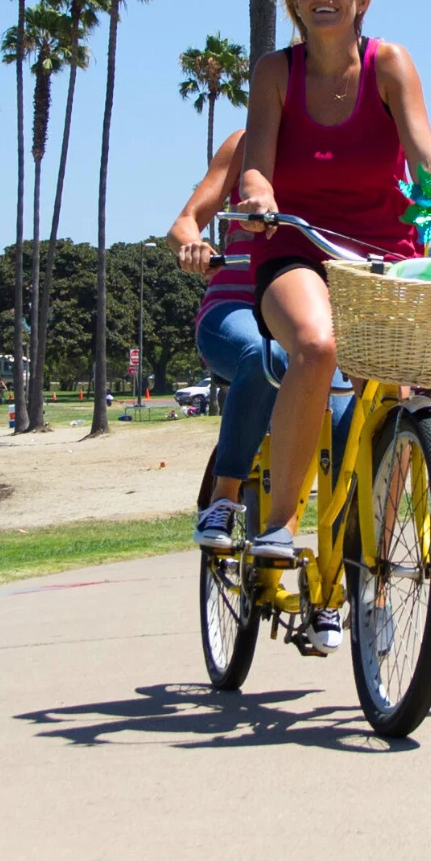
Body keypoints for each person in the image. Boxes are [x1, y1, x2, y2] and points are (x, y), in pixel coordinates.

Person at [225, 0, 431, 649]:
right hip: (295, 244)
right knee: (316, 344)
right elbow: (256, 166)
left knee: (394, 400)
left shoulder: (390, 64)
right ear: (293, 2)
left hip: (385, 252)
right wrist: (258, 197)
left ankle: (373, 585)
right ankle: (278, 526)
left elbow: (425, 154)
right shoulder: (276, 72)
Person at [166, 127, 282, 559]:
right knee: (263, 355)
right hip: (234, 307)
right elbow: (184, 223)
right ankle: (223, 499)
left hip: (316, 311)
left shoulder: (347, 141)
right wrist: (192, 245)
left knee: (352, 417)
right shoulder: (245, 142)